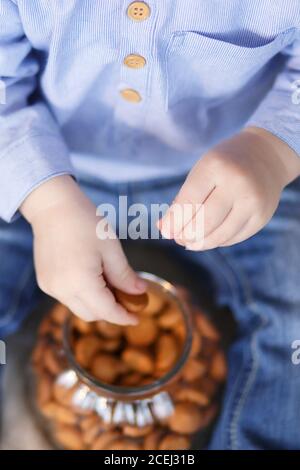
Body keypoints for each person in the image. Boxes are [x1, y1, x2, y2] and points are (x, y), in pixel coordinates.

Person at [0, 0, 300, 449]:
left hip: (235, 181)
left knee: (291, 323)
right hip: (42, 174)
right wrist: (46, 202)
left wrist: (273, 148)